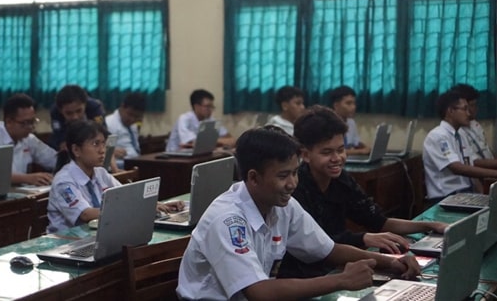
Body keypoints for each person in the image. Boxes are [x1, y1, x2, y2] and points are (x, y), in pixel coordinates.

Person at [176, 126, 420, 300]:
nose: (293, 183)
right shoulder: (228, 220)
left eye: (295, 172)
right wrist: (341, 280)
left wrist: (391, 262)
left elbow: (329, 250)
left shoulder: (282, 205)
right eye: (283, 175)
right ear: (253, 177)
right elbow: (259, 292)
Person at [277, 105, 447, 279]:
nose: (337, 158)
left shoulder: (341, 180)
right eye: (327, 152)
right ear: (305, 155)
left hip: (334, 267)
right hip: (304, 275)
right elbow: (320, 245)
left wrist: (430, 225)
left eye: (341, 150)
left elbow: (379, 221)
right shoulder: (294, 188)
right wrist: (363, 238)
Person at [47, 120, 184, 233]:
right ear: (76, 149)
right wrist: (140, 208)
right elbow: (85, 214)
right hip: (67, 242)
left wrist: (158, 205)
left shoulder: (100, 173)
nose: (102, 150)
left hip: (96, 236)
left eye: (103, 144)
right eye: (95, 144)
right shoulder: (64, 181)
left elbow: (127, 196)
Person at [423, 90, 497, 204]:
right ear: (450, 111)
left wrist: (483, 196)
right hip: (445, 198)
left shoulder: (461, 134)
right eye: (464, 109)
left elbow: (470, 166)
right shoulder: (438, 136)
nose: (469, 113)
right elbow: (457, 168)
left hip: (465, 194)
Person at [0, 93, 57, 186]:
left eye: (32, 122)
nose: (30, 127)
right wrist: (27, 178)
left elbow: (52, 159)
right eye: (25, 123)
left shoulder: (29, 138)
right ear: (9, 121)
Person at [166, 89, 235, 152]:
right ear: (196, 106)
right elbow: (195, 143)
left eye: (212, 107)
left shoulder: (210, 120)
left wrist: (214, 141)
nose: (210, 110)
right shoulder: (184, 119)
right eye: (207, 106)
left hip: (197, 155)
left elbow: (231, 140)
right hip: (174, 158)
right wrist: (218, 141)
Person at [49, 84, 106, 151]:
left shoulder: (95, 108)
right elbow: (58, 135)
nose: (75, 117)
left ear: (85, 104)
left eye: (79, 111)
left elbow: (103, 131)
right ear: (60, 111)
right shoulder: (55, 112)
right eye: (69, 113)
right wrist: (62, 144)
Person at [451, 83, 494, 161]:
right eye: (472, 105)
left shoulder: (475, 125)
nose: (476, 109)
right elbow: (473, 162)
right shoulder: (457, 132)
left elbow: (486, 152)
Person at [105, 92, 146, 169]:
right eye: (130, 114)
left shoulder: (133, 126)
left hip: (135, 164)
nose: (132, 119)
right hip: (118, 167)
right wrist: (110, 152)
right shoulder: (108, 123)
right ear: (122, 106)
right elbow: (100, 150)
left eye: (136, 117)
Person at [329, 85, 369, 155]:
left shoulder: (351, 122)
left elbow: (356, 143)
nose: (353, 107)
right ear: (336, 105)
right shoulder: (328, 124)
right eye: (348, 103)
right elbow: (335, 151)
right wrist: (360, 151)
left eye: (354, 103)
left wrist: (366, 148)